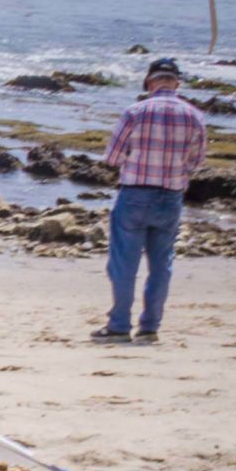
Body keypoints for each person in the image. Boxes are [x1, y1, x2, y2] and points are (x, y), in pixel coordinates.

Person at [96, 56, 208, 344]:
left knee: (123, 264)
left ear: (149, 82)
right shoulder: (194, 116)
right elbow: (196, 162)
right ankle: (150, 327)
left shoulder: (135, 112)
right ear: (177, 83)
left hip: (135, 193)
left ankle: (119, 325)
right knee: (161, 264)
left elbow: (112, 157)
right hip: (170, 196)